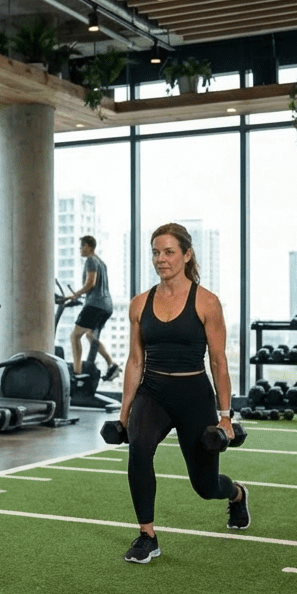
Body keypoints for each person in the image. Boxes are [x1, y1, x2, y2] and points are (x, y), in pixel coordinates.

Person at [118, 222, 249, 563]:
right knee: (139, 447)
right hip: (154, 391)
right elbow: (135, 361)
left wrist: (225, 417)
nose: (161, 259)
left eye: (169, 252)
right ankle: (147, 536)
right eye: (156, 252)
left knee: (206, 487)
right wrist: (123, 414)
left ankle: (235, 495)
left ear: (187, 255)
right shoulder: (140, 303)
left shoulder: (206, 302)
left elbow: (219, 362)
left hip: (194, 395)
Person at [66, 235, 120, 382]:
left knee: (75, 336)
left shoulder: (90, 260)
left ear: (89, 246)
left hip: (94, 305)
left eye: (82, 246)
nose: (80, 249)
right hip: (107, 306)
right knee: (91, 336)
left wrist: (76, 294)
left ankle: (76, 374)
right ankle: (112, 364)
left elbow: (91, 283)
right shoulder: (101, 263)